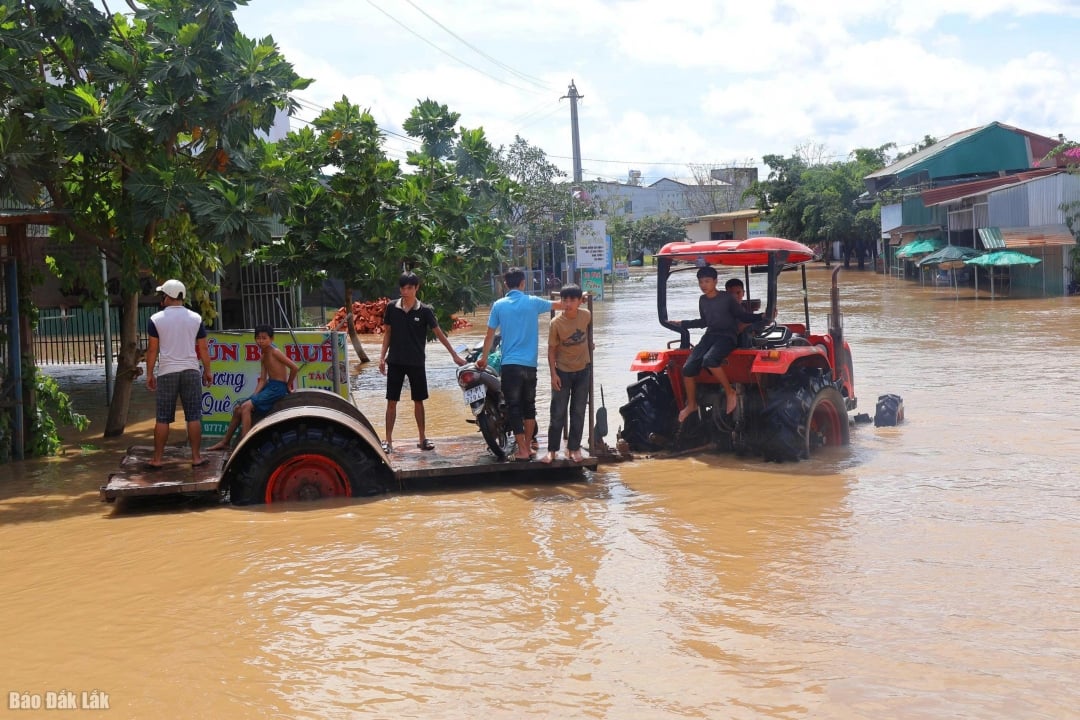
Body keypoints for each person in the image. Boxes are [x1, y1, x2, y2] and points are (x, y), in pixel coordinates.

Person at [477, 267, 565, 461]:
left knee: (514, 407)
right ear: (523, 283)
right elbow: (559, 305)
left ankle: (523, 449)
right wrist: (580, 299)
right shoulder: (533, 302)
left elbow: (489, 335)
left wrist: (483, 359)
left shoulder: (499, 305)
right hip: (530, 365)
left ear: (506, 284)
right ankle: (528, 447)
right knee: (529, 406)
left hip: (509, 365)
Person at [378, 272, 465, 453]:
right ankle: (388, 441)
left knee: (419, 401)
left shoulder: (424, 310)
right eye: (403, 287)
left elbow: (439, 333)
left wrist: (454, 355)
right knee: (391, 401)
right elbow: (388, 333)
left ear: (416, 288)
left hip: (416, 362)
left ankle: (422, 438)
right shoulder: (391, 308)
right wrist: (381, 357)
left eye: (409, 287)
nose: (405, 291)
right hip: (395, 361)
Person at [671, 267, 765, 422]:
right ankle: (692, 404)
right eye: (701, 282)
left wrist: (761, 316)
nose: (703, 285)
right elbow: (704, 322)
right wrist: (683, 323)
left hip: (727, 336)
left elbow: (742, 316)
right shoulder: (702, 300)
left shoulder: (727, 298)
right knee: (687, 368)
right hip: (710, 335)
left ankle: (729, 392)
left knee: (709, 360)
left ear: (715, 281)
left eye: (707, 281)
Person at [144, 279, 213, 469]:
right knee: (193, 416)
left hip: (167, 372)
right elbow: (204, 349)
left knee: (163, 418)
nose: (162, 299)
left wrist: (149, 374)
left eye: (163, 295)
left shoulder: (156, 319)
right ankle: (196, 457)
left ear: (169, 296)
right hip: (191, 371)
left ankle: (157, 459)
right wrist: (207, 371)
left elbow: (152, 350)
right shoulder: (196, 318)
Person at [208, 324, 299, 451]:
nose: (260, 341)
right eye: (258, 338)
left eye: (264, 338)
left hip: (277, 389)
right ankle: (225, 442)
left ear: (271, 339)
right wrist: (254, 396)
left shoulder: (275, 352)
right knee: (238, 409)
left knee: (246, 407)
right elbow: (262, 379)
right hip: (269, 386)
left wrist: (288, 385)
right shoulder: (263, 356)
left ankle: (245, 444)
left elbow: (294, 367)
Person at [540, 284, 591, 464]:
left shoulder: (586, 315)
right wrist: (553, 375)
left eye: (572, 300)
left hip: (583, 370)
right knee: (558, 412)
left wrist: (590, 346)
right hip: (563, 371)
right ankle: (552, 450)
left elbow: (587, 336)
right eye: (564, 300)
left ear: (579, 301)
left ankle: (574, 448)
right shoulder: (556, 323)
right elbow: (551, 350)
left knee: (578, 411)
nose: (568, 304)